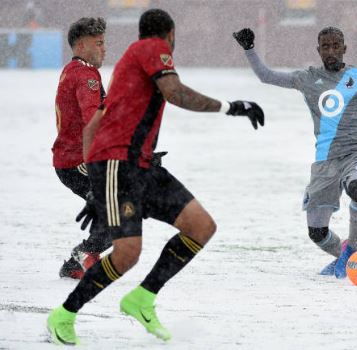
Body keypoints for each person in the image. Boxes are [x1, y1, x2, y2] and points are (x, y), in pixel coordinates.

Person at [47, 8, 264, 345]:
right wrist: (232, 106)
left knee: (201, 226)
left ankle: (142, 298)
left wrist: (95, 180)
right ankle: (64, 314)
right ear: (170, 35)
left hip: (141, 166)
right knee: (126, 255)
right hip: (119, 168)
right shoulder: (152, 48)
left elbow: (93, 124)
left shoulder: (126, 69)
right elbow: (175, 93)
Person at [233, 27, 357, 278]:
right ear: (318, 51)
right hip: (325, 160)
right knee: (317, 232)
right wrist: (249, 49)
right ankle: (346, 257)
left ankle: (351, 250)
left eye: (336, 45)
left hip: (355, 153)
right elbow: (266, 76)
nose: (331, 51)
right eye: (325, 47)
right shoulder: (307, 79)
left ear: (344, 48)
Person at [52, 17, 112, 280]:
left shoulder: (74, 70)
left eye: (104, 42)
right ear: (81, 44)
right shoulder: (85, 76)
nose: (104, 48)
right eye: (98, 43)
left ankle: (83, 260)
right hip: (79, 162)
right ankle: (80, 259)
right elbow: (94, 120)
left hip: (72, 160)